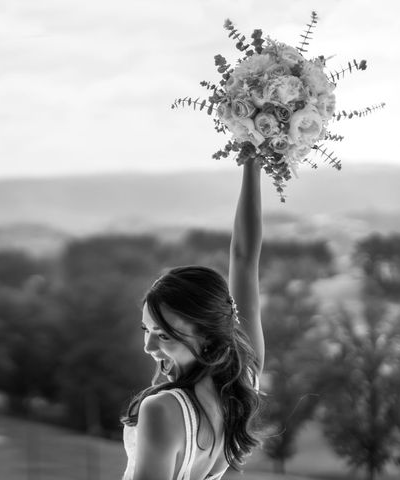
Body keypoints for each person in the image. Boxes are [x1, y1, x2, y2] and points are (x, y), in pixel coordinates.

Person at [121, 157, 264, 480]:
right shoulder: (243, 381)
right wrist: (253, 156)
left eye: (165, 334)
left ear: (208, 335)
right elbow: (243, 259)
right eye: (147, 329)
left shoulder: (162, 410)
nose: (148, 346)